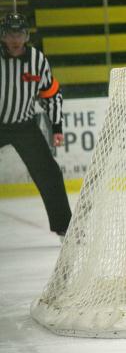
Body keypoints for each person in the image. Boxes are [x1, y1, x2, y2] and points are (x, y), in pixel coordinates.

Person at [0, 12, 71, 240]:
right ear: (3, 34)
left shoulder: (38, 60)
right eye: (11, 33)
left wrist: (57, 127)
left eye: (19, 33)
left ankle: (64, 227)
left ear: (26, 35)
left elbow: (51, 95)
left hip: (25, 125)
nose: (15, 38)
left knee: (50, 174)